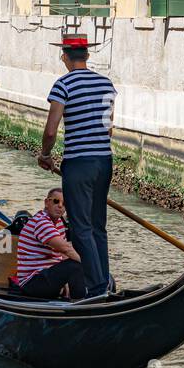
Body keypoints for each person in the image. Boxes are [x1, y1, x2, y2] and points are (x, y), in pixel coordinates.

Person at [38, 35, 116, 296]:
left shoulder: (63, 85)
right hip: (104, 161)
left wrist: (45, 155)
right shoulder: (106, 84)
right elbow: (109, 128)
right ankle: (103, 280)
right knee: (97, 226)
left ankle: (95, 289)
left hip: (78, 163)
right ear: (88, 56)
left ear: (64, 56)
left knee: (81, 227)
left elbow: (51, 131)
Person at [0, 189, 86, 301]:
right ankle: (81, 304)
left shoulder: (59, 223)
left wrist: (66, 281)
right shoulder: (42, 223)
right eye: (56, 201)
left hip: (44, 278)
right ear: (46, 203)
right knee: (76, 264)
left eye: (64, 203)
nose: (60, 206)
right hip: (33, 282)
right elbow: (67, 249)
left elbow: (61, 255)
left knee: (75, 264)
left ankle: (79, 300)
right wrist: (90, 266)